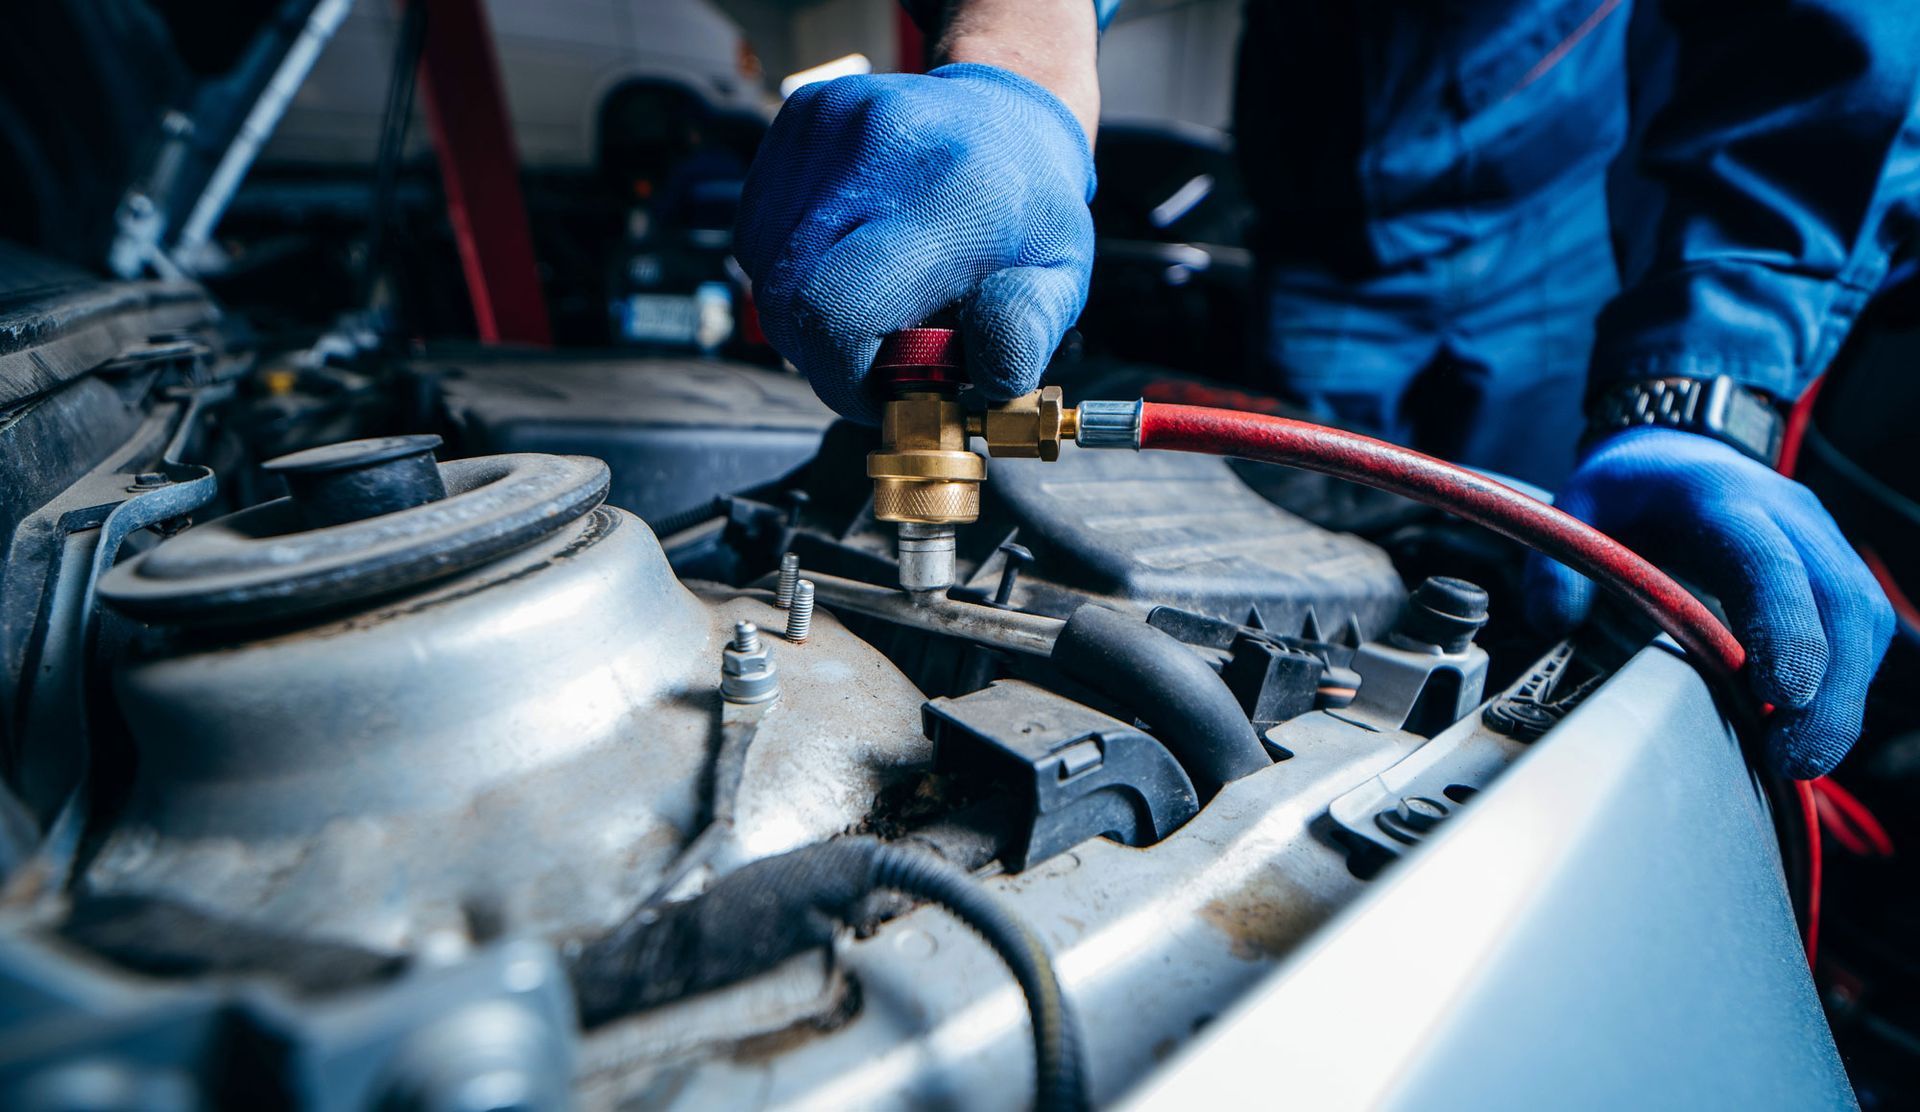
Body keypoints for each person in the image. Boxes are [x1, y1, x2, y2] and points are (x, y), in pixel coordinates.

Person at [733, 0, 1915, 779]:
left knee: (1524, 587)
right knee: (1336, 572)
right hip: (1322, 213)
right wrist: (1018, 67)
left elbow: (1809, 45)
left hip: (1554, 208)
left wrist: (1698, 391)